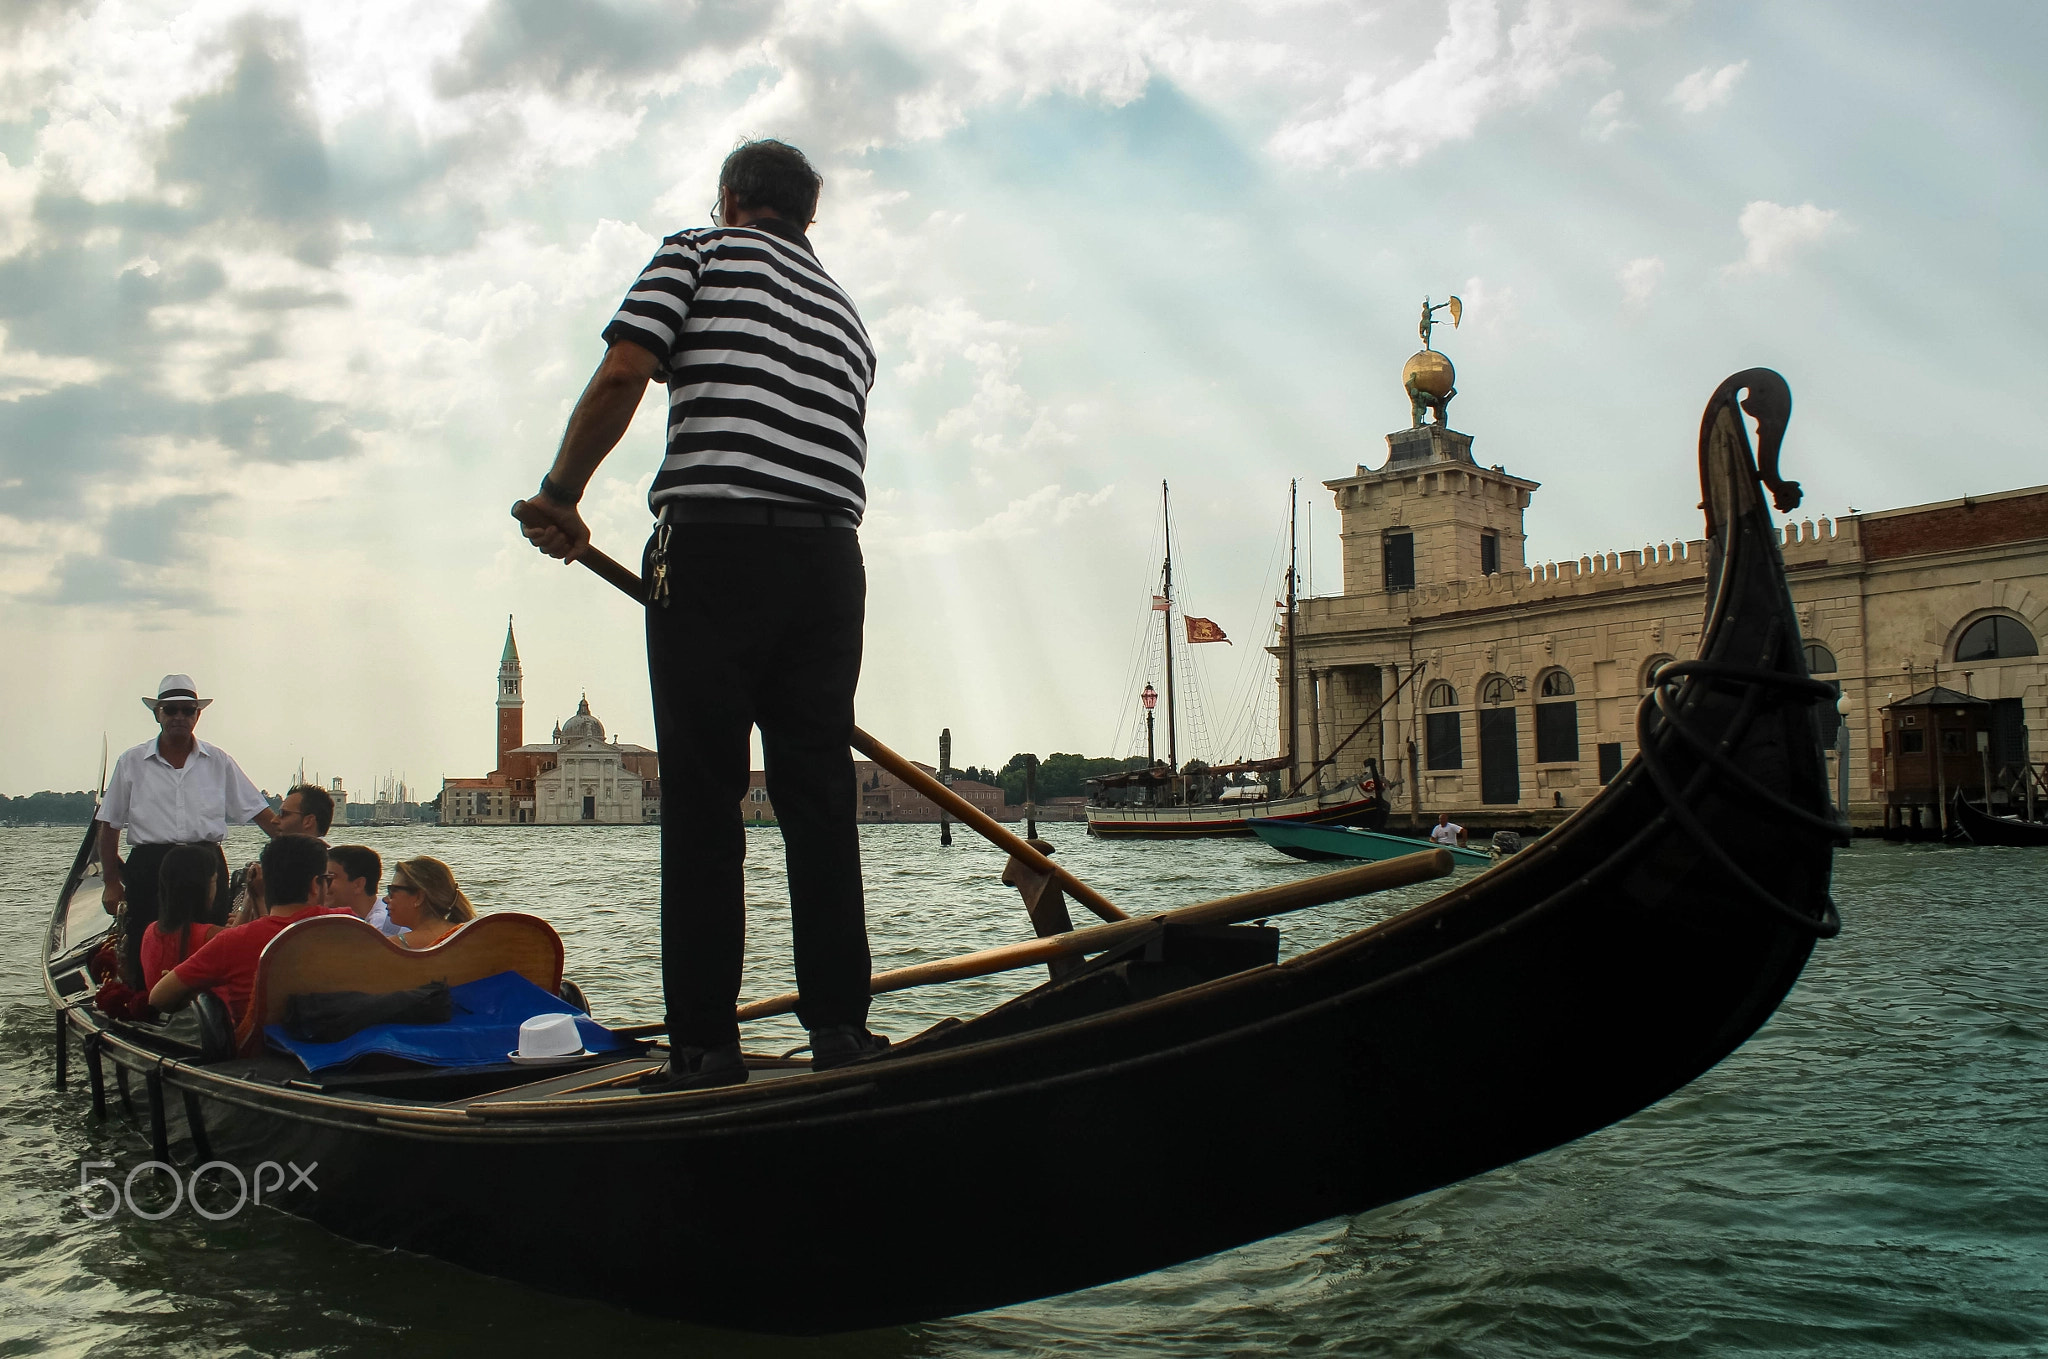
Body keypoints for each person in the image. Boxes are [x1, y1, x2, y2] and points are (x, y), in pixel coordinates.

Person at [516, 139, 882, 1091]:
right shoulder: (846, 315)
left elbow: (623, 374)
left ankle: (705, 1049)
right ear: (809, 216)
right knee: (819, 805)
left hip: (714, 548)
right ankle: (842, 1029)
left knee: (706, 804)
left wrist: (561, 494)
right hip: (830, 565)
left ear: (728, 199)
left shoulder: (698, 253)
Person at [99, 674, 281, 989]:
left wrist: (306, 852)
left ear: (197, 714)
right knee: (147, 933)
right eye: (172, 710)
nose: (180, 717)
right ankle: (148, 1004)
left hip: (205, 863)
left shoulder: (218, 760)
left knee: (209, 941)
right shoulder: (131, 761)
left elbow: (261, 815)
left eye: (188, 710)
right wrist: (111, 883)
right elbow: (109, 824)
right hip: (151, 865)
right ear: (158, 714)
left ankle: (206, 1013)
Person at [149, 835, 345, 1028]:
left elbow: (158, 998)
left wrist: (198, 994)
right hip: (344, 1049)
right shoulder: (350, 923)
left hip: (259, 1053)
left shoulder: (232, 941)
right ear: (314, 885)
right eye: (327, 880)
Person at [229, 783, 336, 926]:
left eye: (283, 814)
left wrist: (255, 902)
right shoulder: (275, 865)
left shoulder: (331, 873)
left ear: (308, 821)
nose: (274, 820)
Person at [138, 844, 224, 991]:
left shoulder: (150, 931)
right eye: (214, 881)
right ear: (204, 887)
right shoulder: (214, 936)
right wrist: (256, 900)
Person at [384, 857, 476, 950]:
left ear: (419, 898)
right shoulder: (472, 936)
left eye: (392, 891)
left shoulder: (393, 947)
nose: (385, 899)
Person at [327, 844, 404, 937]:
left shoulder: (381, 928)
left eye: (330, 877)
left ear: (358, 884)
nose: (322, 884)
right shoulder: (366, 918)